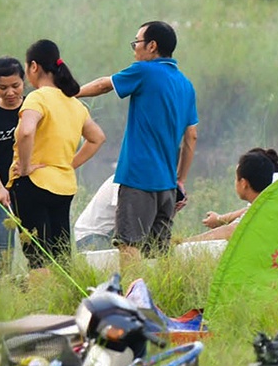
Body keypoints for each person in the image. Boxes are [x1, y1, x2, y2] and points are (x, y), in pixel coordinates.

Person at [78, 21, 198, 259]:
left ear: (152, 46)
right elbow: (191, 136)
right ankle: (157, 295)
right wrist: (180, 180)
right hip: (167, 185)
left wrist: (69, 92)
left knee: (129, 245)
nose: (134, 49)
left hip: (139, 177)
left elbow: (104, 85)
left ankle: (132, 297)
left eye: (137, 42)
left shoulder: (145, 70)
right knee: (157, 253)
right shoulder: (186, 84)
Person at [8, 40, 105, 267]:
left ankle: (40, 302)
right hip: (63, 186)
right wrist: (68, 165)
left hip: (33, 183)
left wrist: (24, 167)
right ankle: (64, 299)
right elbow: (97, 138)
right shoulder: (73, 103)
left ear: (34, 66)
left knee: (38, 258)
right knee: (61, 255)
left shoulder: (37, 97)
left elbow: (26, 132)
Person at [0, 56, 25, 276]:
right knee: (3, 254)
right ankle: (3, 289)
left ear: (24, 82)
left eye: (15, 86)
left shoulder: (32, 106)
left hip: (29, 188)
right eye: (3, 87)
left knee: (37, 249)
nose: (10, 93)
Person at [186, 150, 277, 243]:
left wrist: (185, 242)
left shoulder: (259, 213)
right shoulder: (271, 203)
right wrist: (219, 219)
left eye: (236, 178)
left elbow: (230, 231)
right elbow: (245, 212)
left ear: (243, 183)